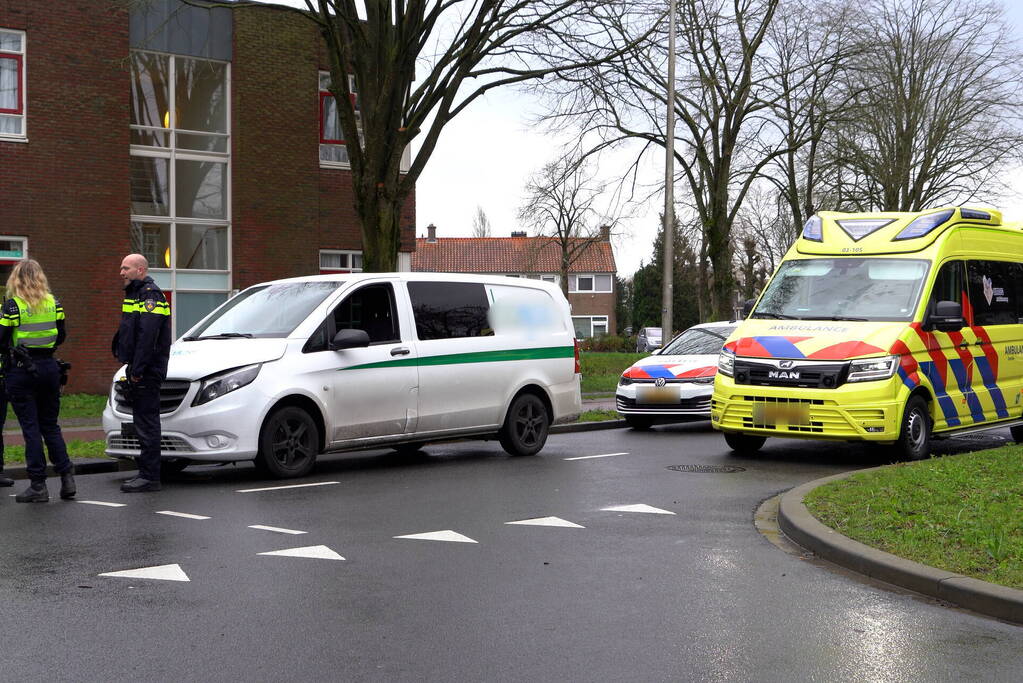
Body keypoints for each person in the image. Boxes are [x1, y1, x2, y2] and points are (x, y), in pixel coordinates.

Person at [0, 259, 75, 502]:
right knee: (50, 426)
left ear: (16, 279)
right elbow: (61, 335)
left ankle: (38, 485)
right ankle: (67, 478)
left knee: (31, 428)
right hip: (49, 368)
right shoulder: (55, 303)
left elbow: (1, 341)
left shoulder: (12, 307)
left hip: (21, 370)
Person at [113, 254, 171, 492]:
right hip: (138, 367)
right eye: (121, 267)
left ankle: (150, 477)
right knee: (142, 422)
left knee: (147, 424)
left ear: (140, 269)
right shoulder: (135, 294)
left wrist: (137, 370)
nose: (121, 272)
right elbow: (131, 331)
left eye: (125, 268)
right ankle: (146, 473)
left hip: (146, 370)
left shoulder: (150, 295)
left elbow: (148, 337)